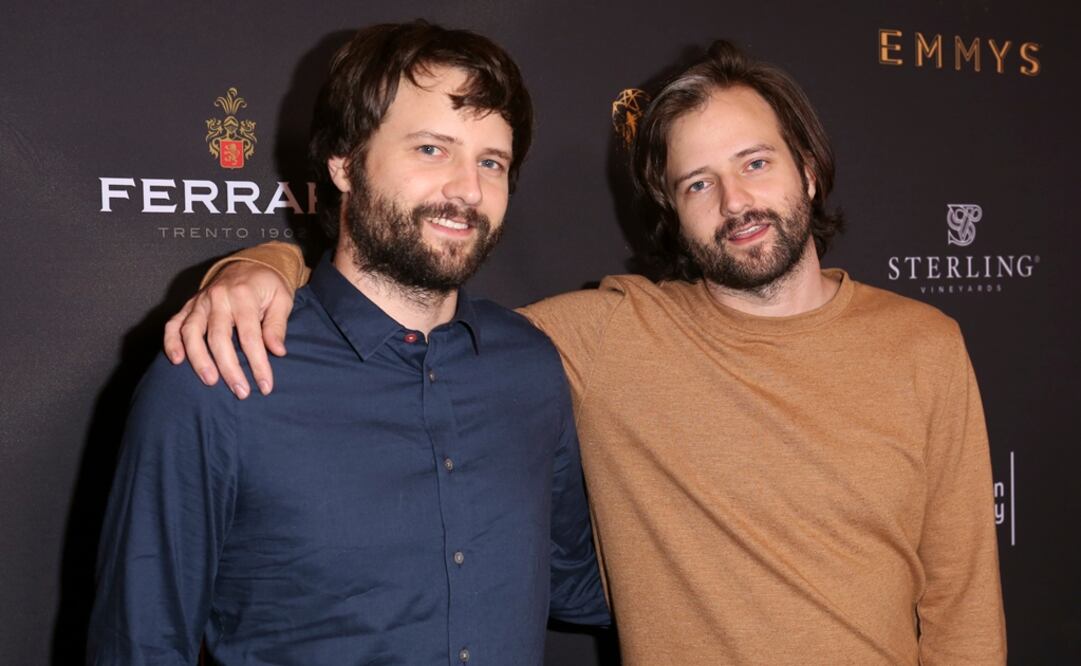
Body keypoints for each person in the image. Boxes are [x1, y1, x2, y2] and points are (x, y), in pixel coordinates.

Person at [165, 39, 1006, 664]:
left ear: (809, 171)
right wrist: (259, 265)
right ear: (670, 211)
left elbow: (963, 609)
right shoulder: (603, 336)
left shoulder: (922, 346)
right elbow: (405, 300)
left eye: (756, 163)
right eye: (697, 184)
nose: (736, 201)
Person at [89, 21, 608, 665]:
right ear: (344, 162)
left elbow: (583, 583)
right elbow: (140, 645)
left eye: (491, 162)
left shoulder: (530, 366)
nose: (468, 190)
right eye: (431, 149)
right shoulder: (219, 372)